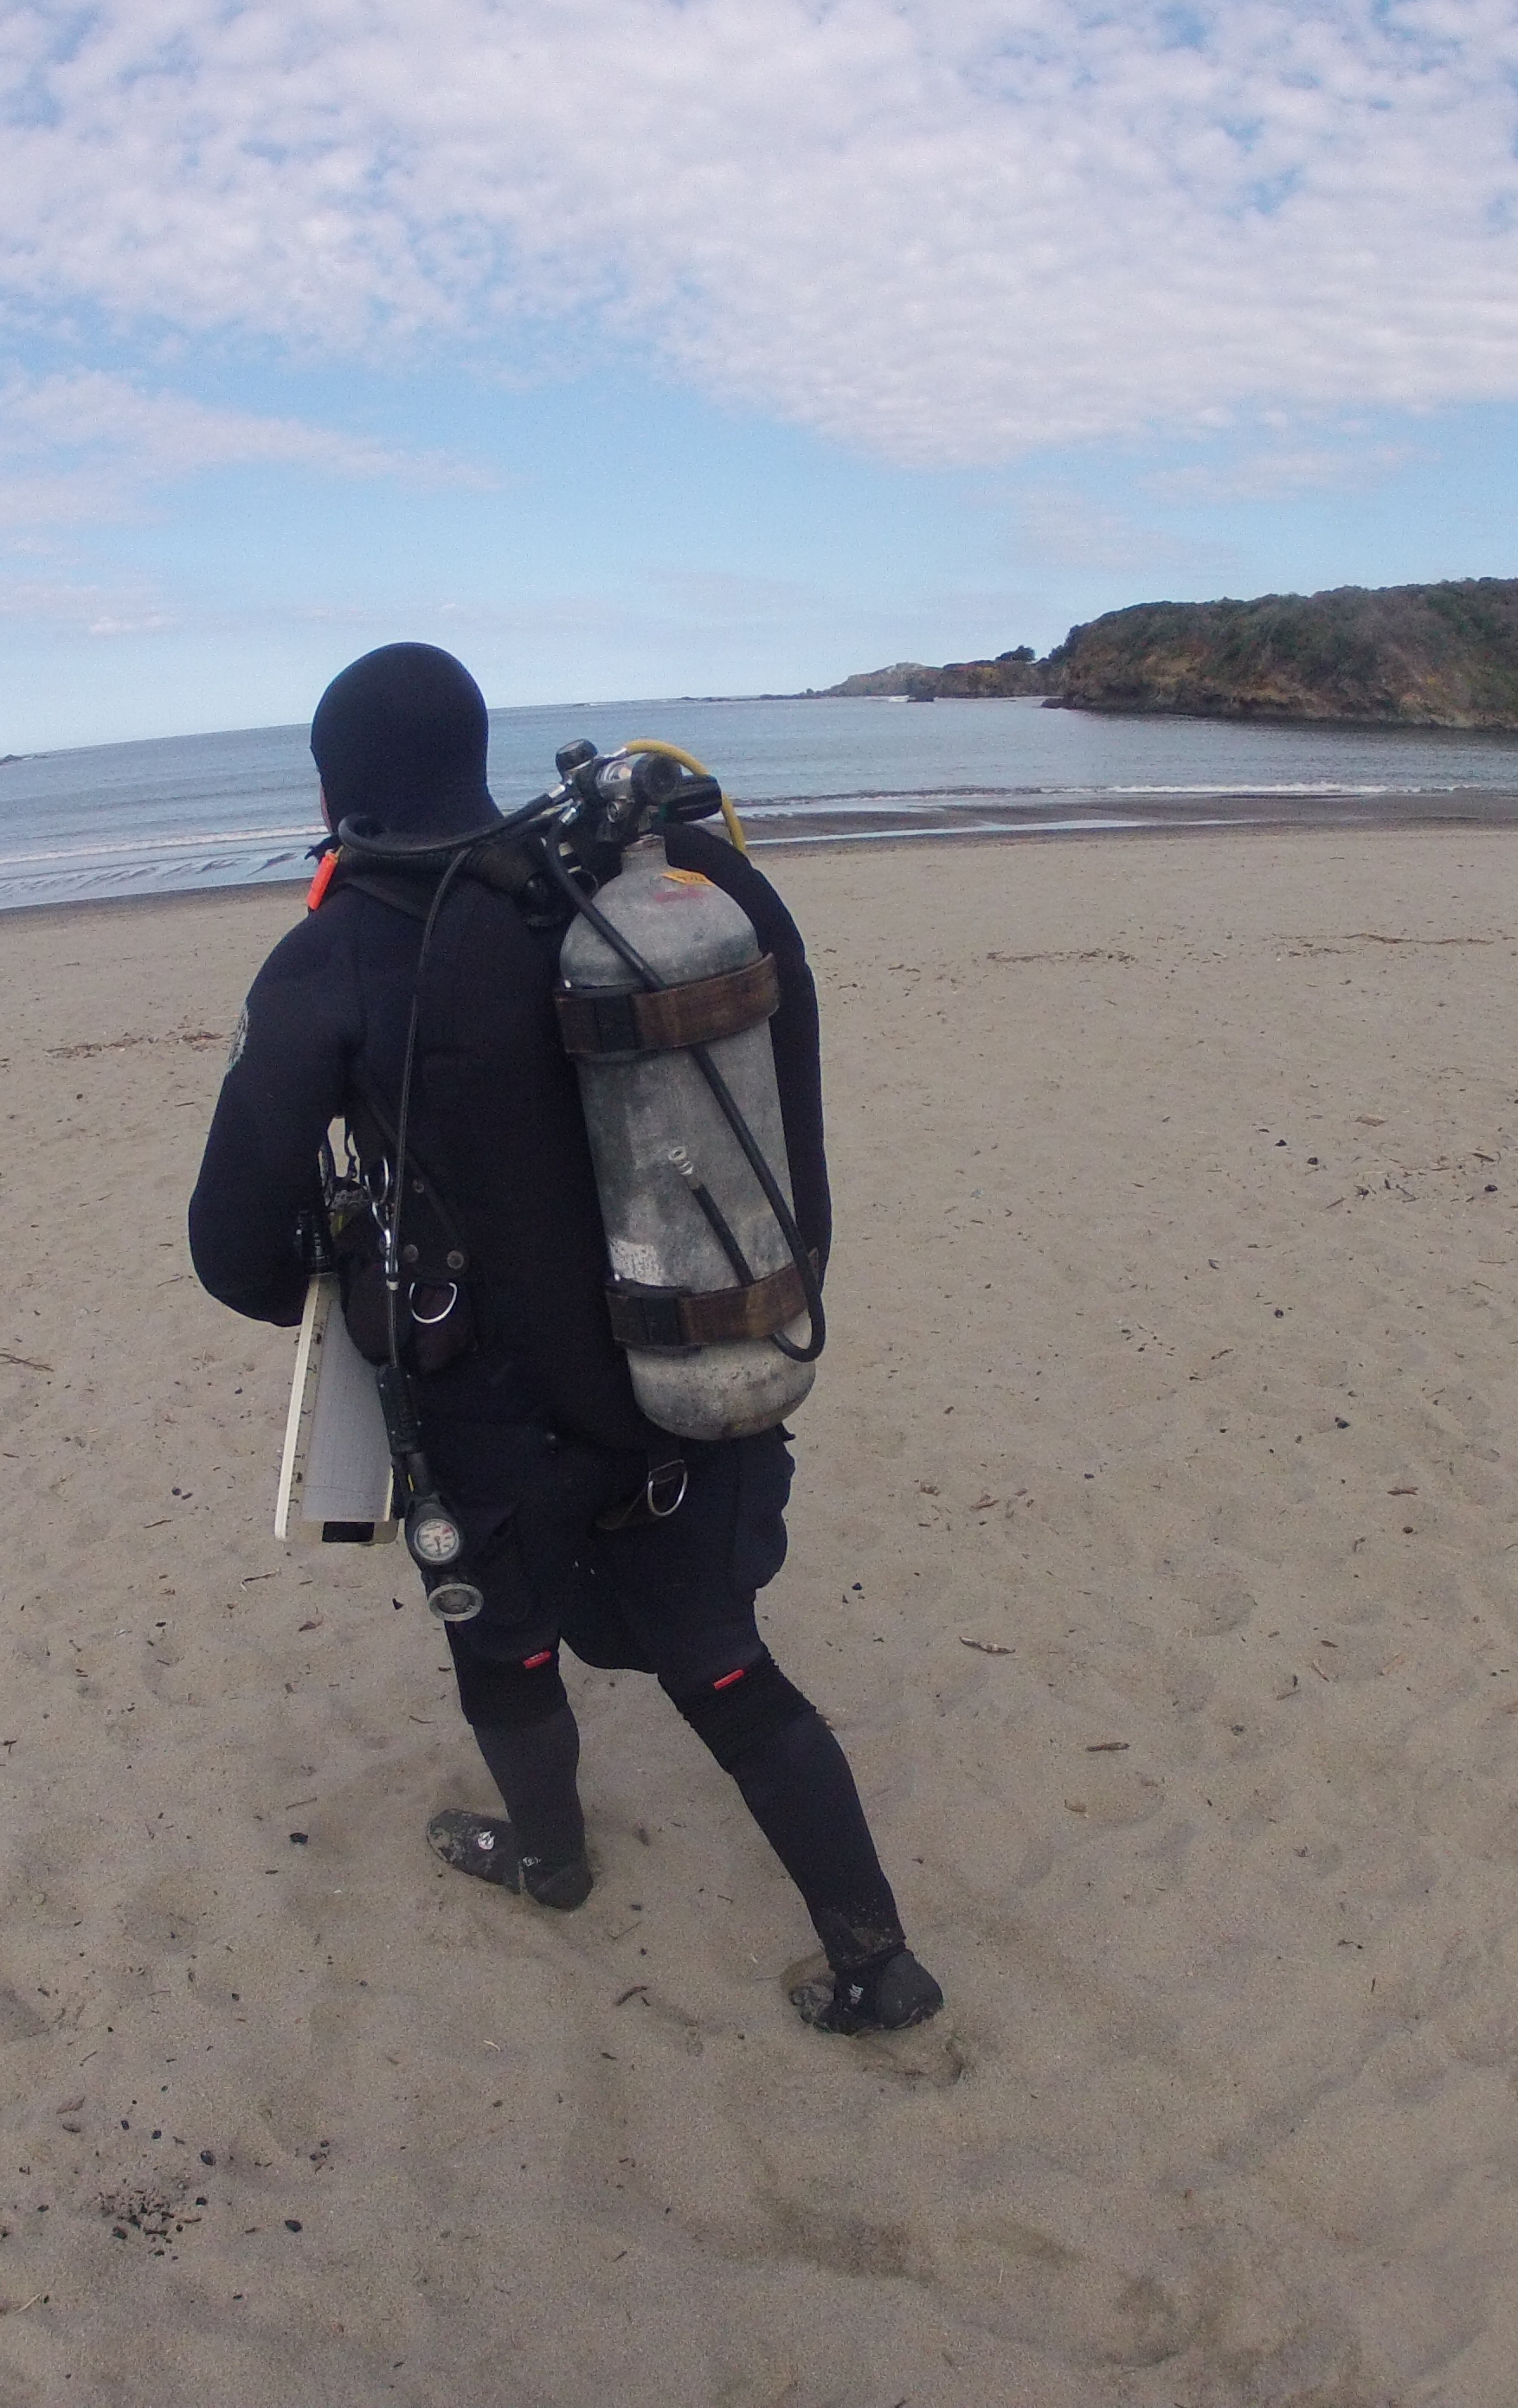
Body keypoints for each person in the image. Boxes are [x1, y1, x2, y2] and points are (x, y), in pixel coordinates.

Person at [186, 642, 942, 2034]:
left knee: (506, 1652)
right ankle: (875, 1960)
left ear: (336, 789)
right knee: (722, 1660)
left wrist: (352, 1250)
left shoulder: (329, 957)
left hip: (495, 1425)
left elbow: (230, 1255)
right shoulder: (622, 894)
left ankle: (552, 1863)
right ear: (474, 761)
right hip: (684, 1366)